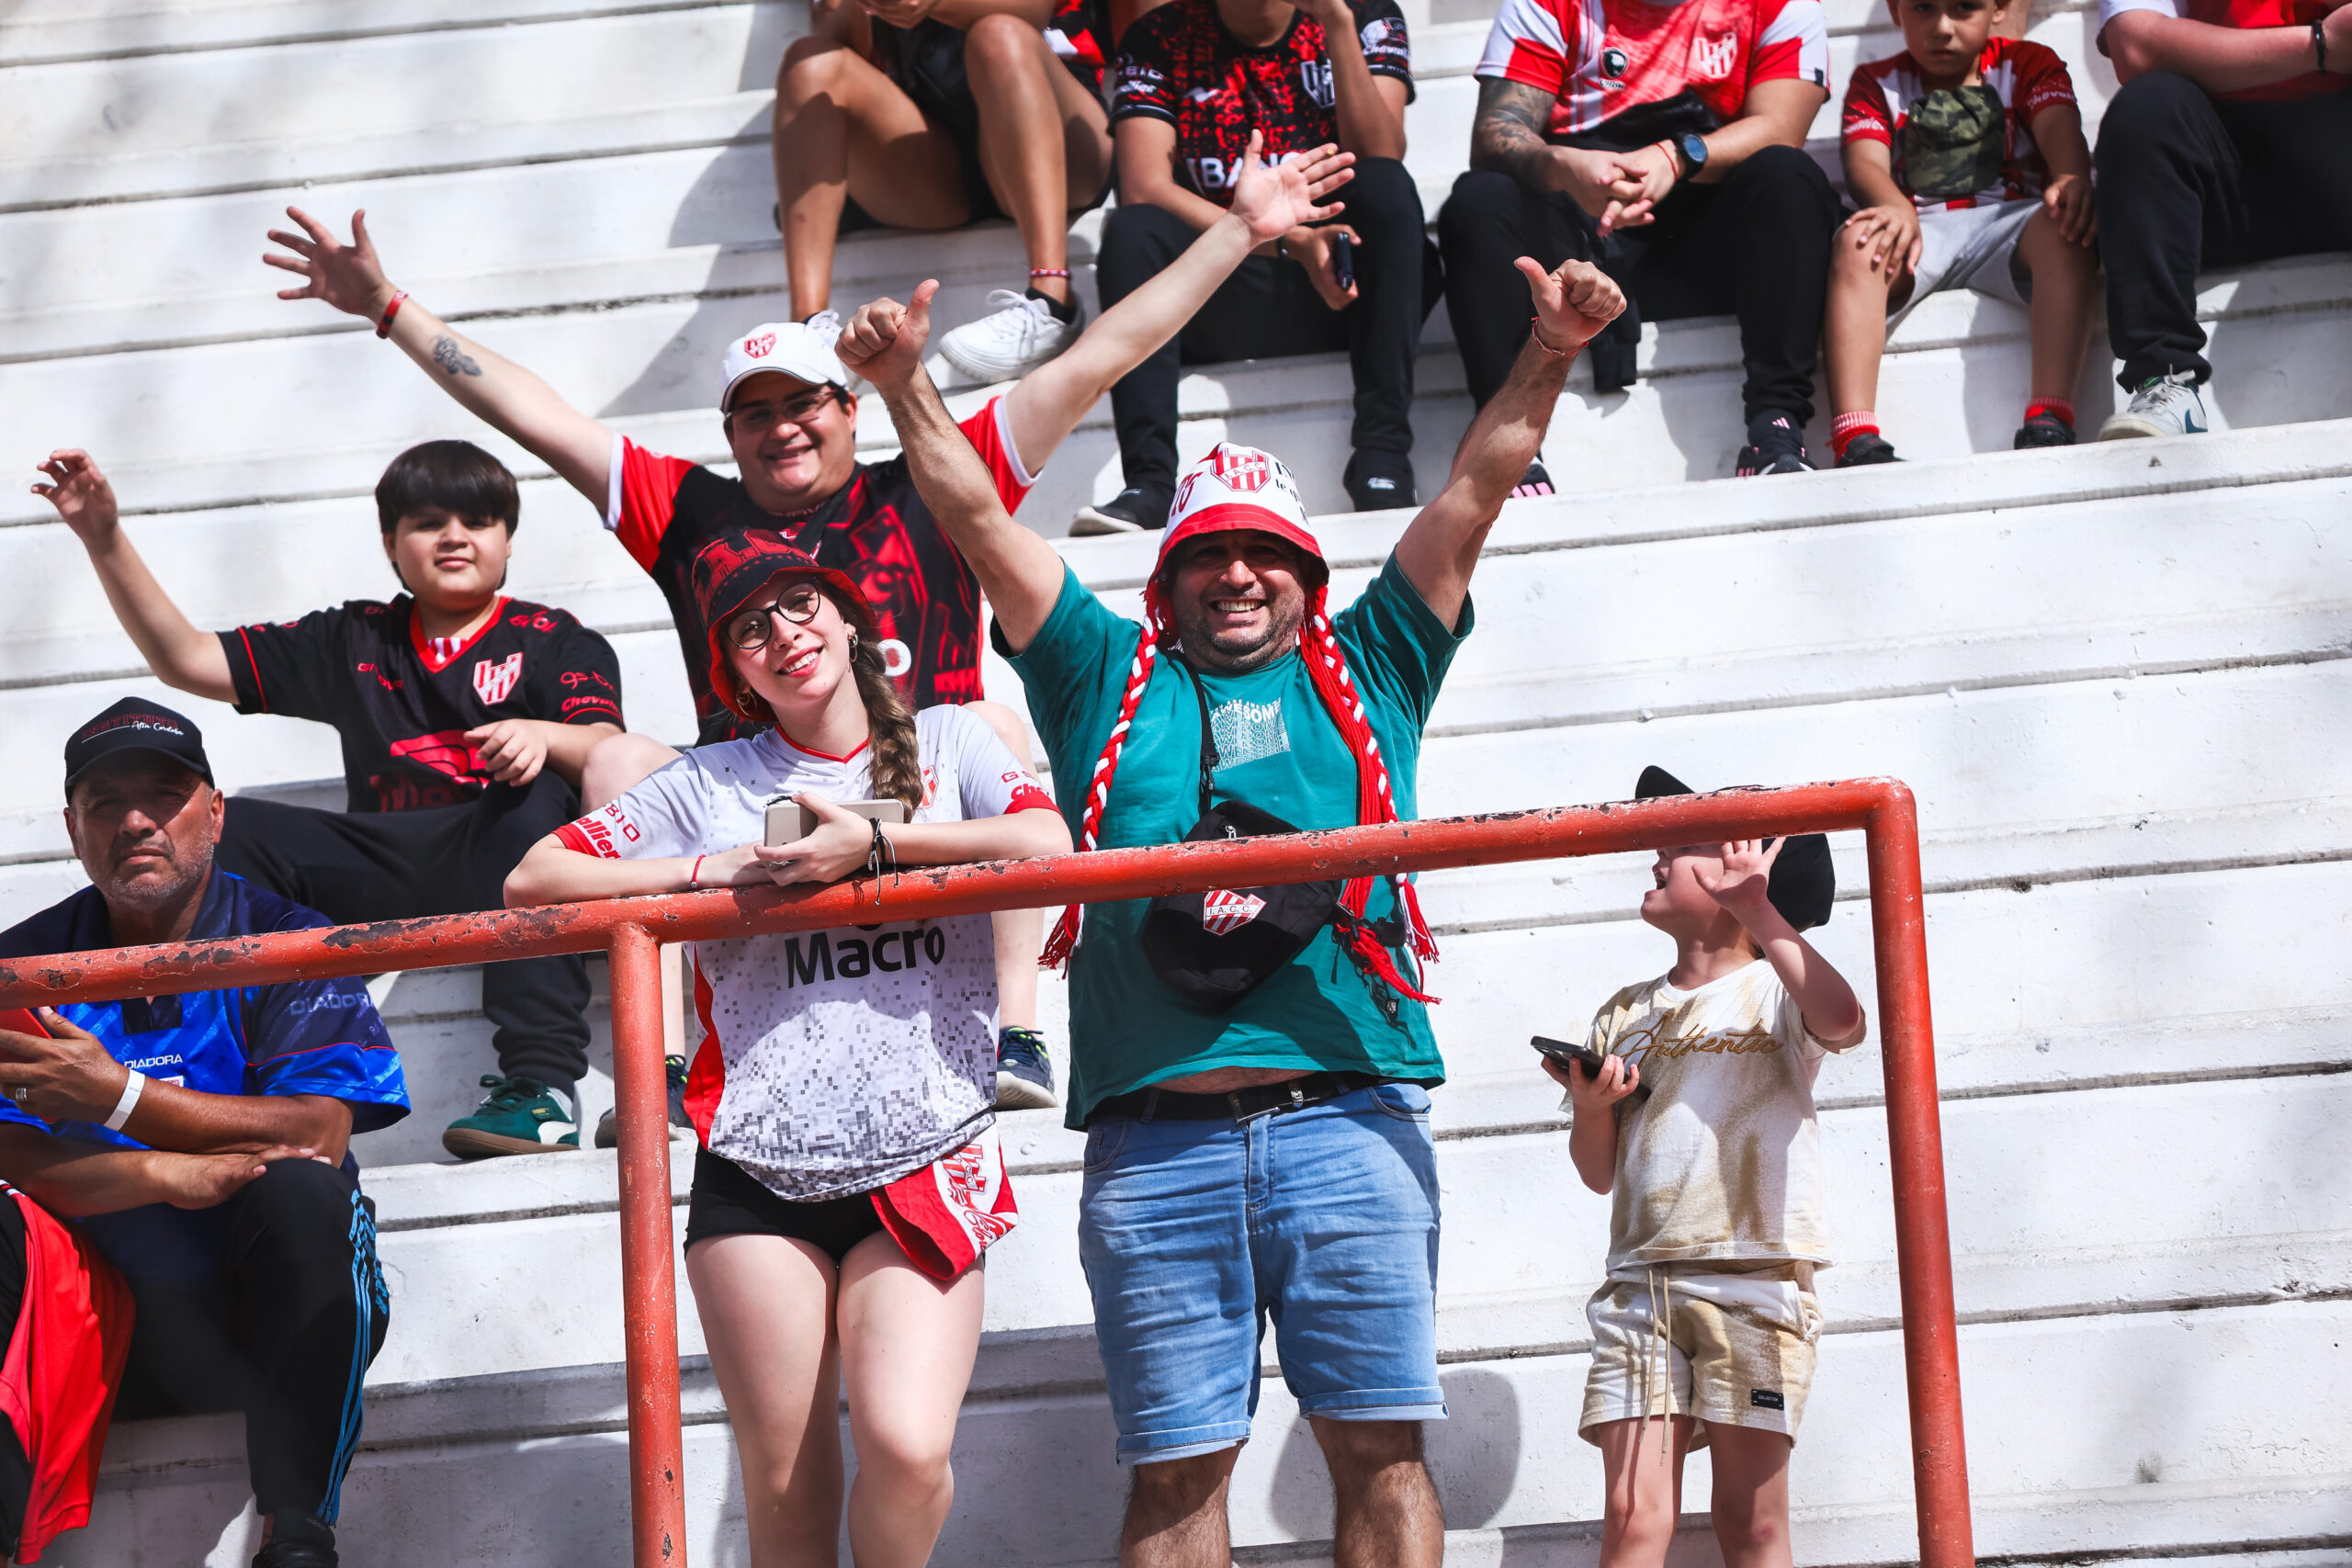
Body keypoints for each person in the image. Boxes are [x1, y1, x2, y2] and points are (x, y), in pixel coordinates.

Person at [262, 140, 1350, 1112]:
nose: (781, 427)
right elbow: (532, 413)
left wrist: (1238, 232)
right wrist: (388, 307)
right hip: (761, 813)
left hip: (922, 800)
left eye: (803, 403)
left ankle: (1017, 1034)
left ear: (849, 408)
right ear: (730, 433)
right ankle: (674, 1058)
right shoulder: (688, 510)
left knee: (995, 728)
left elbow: (1098, 356)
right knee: (620, 765)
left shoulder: (933, 476)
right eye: (755, 413)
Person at [837, 229, 1623, 1565]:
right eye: (1210, 554)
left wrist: (1550, 349)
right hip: (1157, 1140)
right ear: (1169, 581)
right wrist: (907, 385)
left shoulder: (1376, 658)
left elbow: (1473, 491)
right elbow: (975, 519)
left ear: (1309, 577)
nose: (1239, 573)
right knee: (1175, 1477)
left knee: (1380, 1453)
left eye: (1267, 553)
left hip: (1349, 1116)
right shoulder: (1097, 671)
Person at [503, 533, 1068, 1566]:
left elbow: (1048, 843)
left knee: (908, 1449)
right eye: (751, 628)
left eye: (800, 603)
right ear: (737, 671)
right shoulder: (707, 781)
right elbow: (533, 878)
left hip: (930, 1148)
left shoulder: (952, 741)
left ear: (848, 619)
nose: (784, 635)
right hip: (757, 1167)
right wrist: (707, 870)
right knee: (783, 1489)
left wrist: (878, 844)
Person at [34, 445, 623, 1158]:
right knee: (233, 827)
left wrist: (544, 735)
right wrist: (104, 537)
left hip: (507, 861)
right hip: (383, 866)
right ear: (390, 543)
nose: (454, 537)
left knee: (536, 797)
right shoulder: (356, 636)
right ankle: (225, 1066)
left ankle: (540, 1088)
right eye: (427, 522)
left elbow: (610, 750)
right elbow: (187, 658)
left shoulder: (555, 639)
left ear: (508, 539)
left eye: (478, 520)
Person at [0, 699, 412, 1568]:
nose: (135, 821)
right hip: (98, 1326)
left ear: (216, 813)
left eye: (164, 794)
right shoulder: (23, 967)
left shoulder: (291, 940)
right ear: (73, 829)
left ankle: (296, 1539)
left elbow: (316, 1130)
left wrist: (115, 1097)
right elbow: (16, 1157)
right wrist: (165, 1172)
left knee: (305, 1191)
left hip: (267, 1314)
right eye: (106, 803)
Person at [1541, 765, 1866, 1568]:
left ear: (1747, 868)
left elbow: (1845, 1019)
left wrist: (1760, 912)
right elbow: (1598, 1172)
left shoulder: (1774, 991)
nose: (1656, 854)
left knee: (1750, 1522)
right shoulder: (1625, 1012)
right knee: (1631, 1515)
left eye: (1682, 843)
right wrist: (1590, 1107)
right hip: (1640, 1288)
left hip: (1754, 1282)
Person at [1438, 0, 1838, 483]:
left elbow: (1783, 128)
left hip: (1705, 243)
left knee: (1788, 174)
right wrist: (1564, 166)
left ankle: (1776, 430)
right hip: (1574, 239)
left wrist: (1677, 156)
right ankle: (1505, 451)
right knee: (1479, 199)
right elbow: (1494, 135)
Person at [1076, 0, 1432, 533]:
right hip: (1226, 284)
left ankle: (1382, 457)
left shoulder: (1364, 13)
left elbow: (1381, 153)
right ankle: (1150, 483)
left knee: (1387, 187)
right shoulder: (1161, 33)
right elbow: (1145, 186)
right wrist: (1288, 241)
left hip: (1345, 287)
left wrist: (1337, 24)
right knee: (1133, 229)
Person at [775, 0, 1115, 381]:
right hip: (933, 159)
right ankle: (808, 332)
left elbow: (1033, 13)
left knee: (999, 33)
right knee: (810, 62)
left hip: (1059, 136)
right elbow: (842, 46)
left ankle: (1053, 300)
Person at [1826, 0, 2098, 465]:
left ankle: (2050, 417)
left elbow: (2058, 127)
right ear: (1896, 10)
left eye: (1964, 8)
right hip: (1919, 232)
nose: (1942, 27)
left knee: (2065, 227)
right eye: (1923, 8)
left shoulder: (2028, 64)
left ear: (2000, 8)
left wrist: (2070, 176)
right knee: (1857, 243)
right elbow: (1863, 161)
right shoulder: (1878, 82)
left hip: (2011, 224)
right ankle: (1855, 437)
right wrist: (1893, 204)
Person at [2089, 0, 2352, 439]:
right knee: (2144, 109)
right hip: (2219, 178)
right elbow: (2136, 45)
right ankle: (2164, 381)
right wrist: (2320, 45)